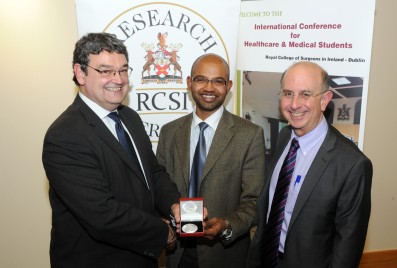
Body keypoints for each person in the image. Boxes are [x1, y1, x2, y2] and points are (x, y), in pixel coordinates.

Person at [42, 32, 181, 268]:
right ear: (80, 73)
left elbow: (153, 174)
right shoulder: (64, 135)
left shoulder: (130, 118)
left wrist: (174, 205)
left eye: (124, 70)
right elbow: (102, 216)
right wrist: (163, 232)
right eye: (106, 71)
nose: (118, 79)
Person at [247, 61, 373, 268]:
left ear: (325, 100)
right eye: (288, 93)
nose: (294, 104)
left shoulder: (353, 165)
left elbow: (348, 248)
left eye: (305, 94)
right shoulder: (284, 136)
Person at [156, 53, 266, 268]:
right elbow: (159, 188)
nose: (209, 88)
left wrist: (227, 225)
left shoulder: (250, 135)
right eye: (201, 79)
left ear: (229, 86)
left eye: (218, 81)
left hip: (223, 254)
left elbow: (254, 201)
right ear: (189, 82)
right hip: (177, 253)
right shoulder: (169, 132)